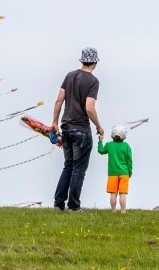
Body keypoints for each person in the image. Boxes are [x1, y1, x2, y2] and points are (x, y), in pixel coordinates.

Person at [51, 47, 104, 211]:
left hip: (66, 127)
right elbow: (89, 108)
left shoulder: (70, 75)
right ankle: (74, 206)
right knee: (78, 170)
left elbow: (59, 100)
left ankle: (59, 204)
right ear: (95, 62)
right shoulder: (93, 81)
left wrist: (54, 121)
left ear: (82, 60)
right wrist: (99, 126)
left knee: (68, 166)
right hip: (81, 129)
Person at [98, 124, 133, 214]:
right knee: (122, 194)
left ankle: (113, 211)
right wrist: (129, 172)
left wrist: (100, 141)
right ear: (124, 136)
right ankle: (123, 211)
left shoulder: (109, 145)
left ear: (112, 135)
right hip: (124, 173)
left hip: (112, 173)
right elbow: (129, 161)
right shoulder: (126, 146)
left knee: (113, 193)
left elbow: (101, 151)